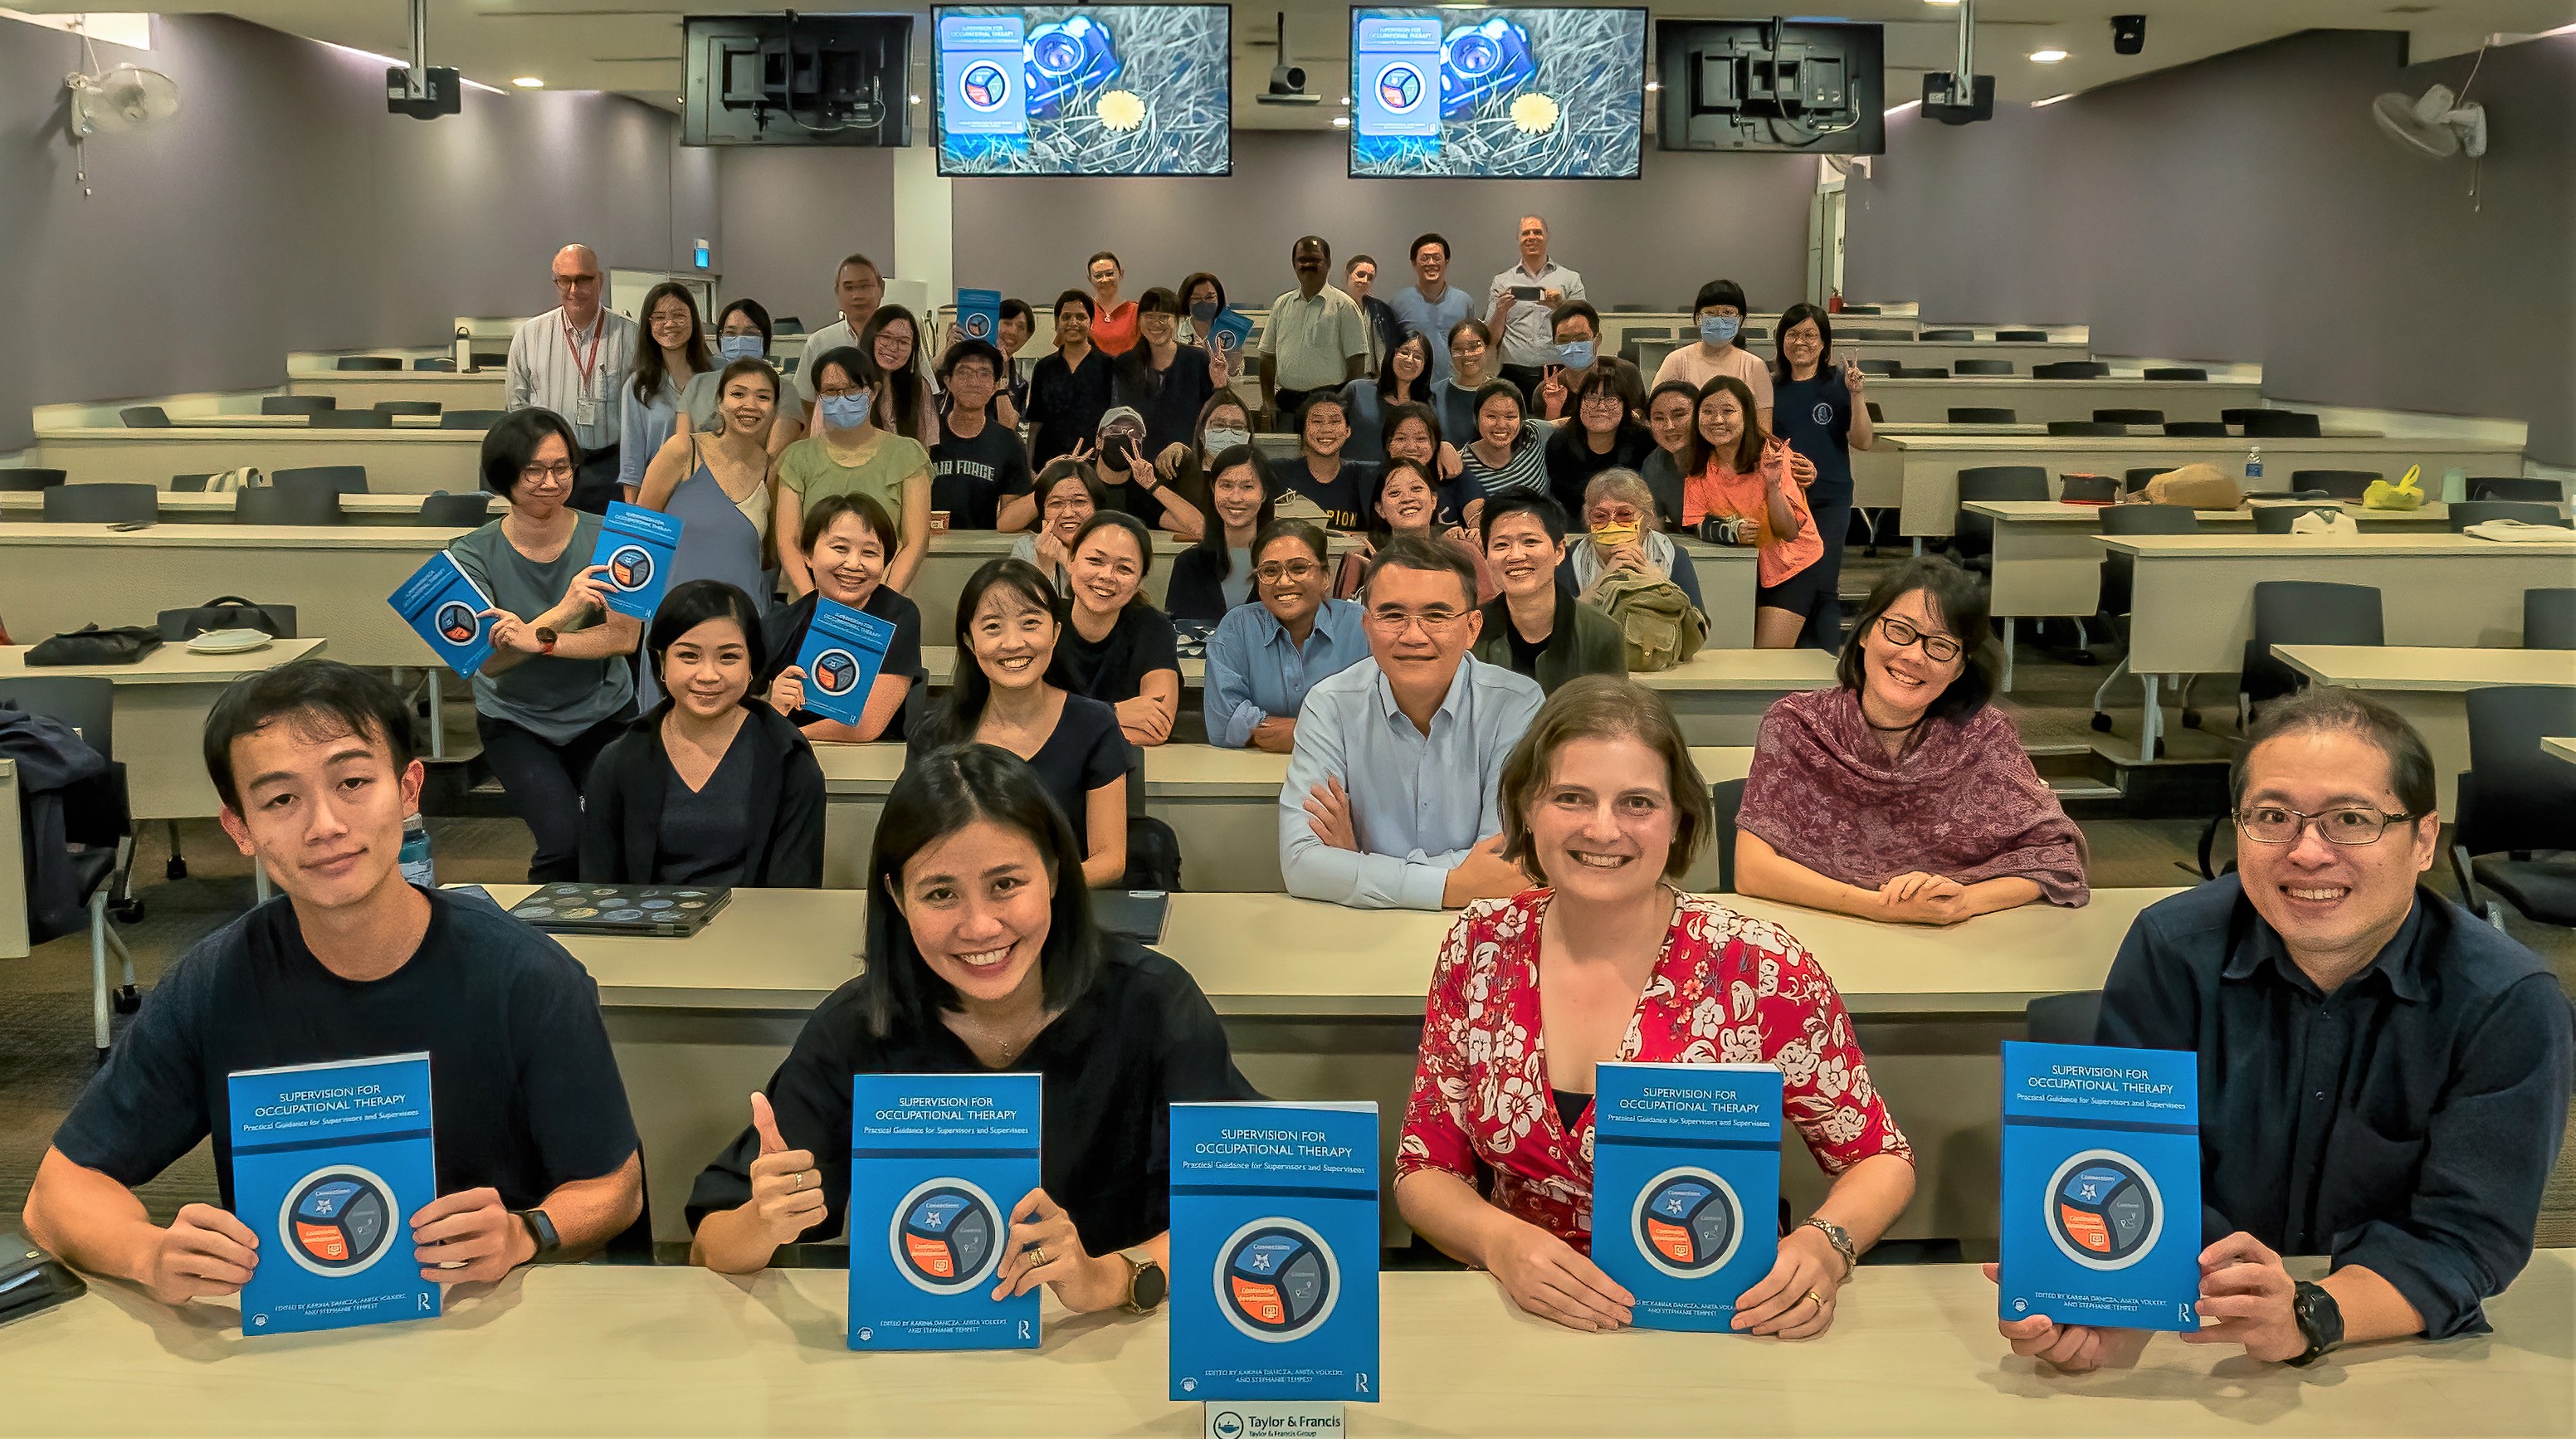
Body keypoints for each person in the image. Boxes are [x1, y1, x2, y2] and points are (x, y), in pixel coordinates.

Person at [22, 660, 644, 1309]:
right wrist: (146, 1253)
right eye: (281, 799)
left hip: (489, 1322)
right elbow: (56, 1195)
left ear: (408, 790)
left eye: (352, 782)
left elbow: (615, 1187)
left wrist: (526, 1233)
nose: (324, 825)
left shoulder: (527, 976)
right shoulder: (214, 983)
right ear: (240, 828)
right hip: (301, 1335)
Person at [1993, 686, 2574, 1373]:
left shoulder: (2507, 1001)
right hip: (2198, 1323)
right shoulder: (2172, 947)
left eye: (2351, 820)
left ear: (2423, 840)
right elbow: (2134, 1171)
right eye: (2272, 816)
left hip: (2390, 1343)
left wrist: (2308, 1312)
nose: (2305, 853)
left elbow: (2467, 1237)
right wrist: (2116, 1301)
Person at [1396, 676, 1915, 1335]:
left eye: (1637, 802)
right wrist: (1499, 1243)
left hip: (1721, 1315)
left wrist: (1825, 1246)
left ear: (1678, 822)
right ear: (1529, 809)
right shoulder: (1479, 946)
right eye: (1572, 798)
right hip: (1525, 1315)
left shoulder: (1758, 968)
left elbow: (1879, 1158)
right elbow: (1425, 1170)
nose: (1602, 829)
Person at [685, 743, 1261, 1300]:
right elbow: (710, 1251)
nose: (981, 926)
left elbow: (1249, 1203)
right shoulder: (858, 1027)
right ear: (896, 897)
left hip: (1114, 1341)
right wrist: (765, 1221)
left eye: (1006, 885)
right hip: (923, 1351)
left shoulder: (1153, 1004)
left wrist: (1108, 1279)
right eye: (940, 894)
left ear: (1056, 874)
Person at [1735, 557, 2088, 921]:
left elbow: (2055, 856)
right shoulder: (1798, 724)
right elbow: (1752, 870)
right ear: (1865, 633)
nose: (1914, 655)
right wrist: (1880, 909)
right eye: (1900, 631)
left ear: (1959, 668)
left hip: (1953, 945)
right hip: (1821, 929)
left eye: (1940, 645)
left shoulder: (1984, 736)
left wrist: (1964, 902)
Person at [1279, 537, 1544, 910]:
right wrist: (1455, 884)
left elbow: (1504, 866)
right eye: (1392, 615)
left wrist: (1355, 867)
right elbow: (1301, 864)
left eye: (1436, 616)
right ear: (1367, 626)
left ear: (1472, 627)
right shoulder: (1330, 705)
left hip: (1474, 933)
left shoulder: (1516, 705)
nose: (1413, 635)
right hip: (1361, 932)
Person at [449, 410, 641, 881]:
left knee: (619, 836)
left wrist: (537, 640)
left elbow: (623, 636)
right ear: (504, 476)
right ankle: (546, 945)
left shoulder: (618, 536)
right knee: (563, 843)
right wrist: (563, 611)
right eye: (533, 470)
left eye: (562, 467)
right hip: (516, 720)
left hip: (603, 712)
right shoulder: (467, 555)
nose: (550, 482)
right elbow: (489, 663)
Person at [579, 580, 825, 886]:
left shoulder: (790, 759)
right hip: (645, 931)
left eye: (728, 657)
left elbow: (795, 893)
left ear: (752, 665)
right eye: (689, 656)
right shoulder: (618, 759)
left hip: (757, 930)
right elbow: (599, 887)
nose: (708, 675)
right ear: (661, 662)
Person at [911, 560, 1129, 888]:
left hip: (1061, 908)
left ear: (1055, 633)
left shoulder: (1095, 724)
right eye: (993, 627)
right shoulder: (933, 734)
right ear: (970, 641)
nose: (1013, 643)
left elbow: (1110, 859)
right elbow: (916, 851)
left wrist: (1028, 889)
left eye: (1030, 623)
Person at [633, 358, 781, 709]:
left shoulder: (774, 471)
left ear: (775, 407)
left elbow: (769, 557)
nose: (750, 405)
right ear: (719, 401)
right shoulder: (684, 451)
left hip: (739, 630)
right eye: (738, 394)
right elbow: (636, 534)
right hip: (675, 620)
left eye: (763, 397)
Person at [761, 494, 928, 744]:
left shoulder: (898, 615)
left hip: (875, 762)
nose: (854, 563)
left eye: (870, 552)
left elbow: (867, 725)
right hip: (790, 759)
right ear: (807, 553)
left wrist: (788, 734)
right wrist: (773, 708)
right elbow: (747, 712)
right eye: (839, 548)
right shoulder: (781, 623)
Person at [776, 346, 933, 598]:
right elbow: (788, 542)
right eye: (830, 391)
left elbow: (916, 542)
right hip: (813, 603)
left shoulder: (907, 454)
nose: (841, 398)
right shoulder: (798, 457)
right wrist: (813, 600)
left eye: (852, 390)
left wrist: (882, 600)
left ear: (873, 392)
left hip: (884, 603)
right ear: (819, 397)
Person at [1204, 519, 1369, 753]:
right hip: (1255, 772)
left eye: (1299, 568)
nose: (1284, 581)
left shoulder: (1360, 625)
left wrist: (1304, 733)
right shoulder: (1238, 627)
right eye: (1269, 571)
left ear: (1325, 577)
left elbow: (1382, 718)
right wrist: (1335, 733)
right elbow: (1225, 721)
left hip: (1345, 775)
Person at [1683, 375, 1822, 649]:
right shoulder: (1698, 469)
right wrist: (1730, 531)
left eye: (1728, 411)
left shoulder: (1772, 455)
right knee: (1726, 646)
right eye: (1708, 411)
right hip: (1740, 568)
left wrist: (1772, 486)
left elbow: (1789, 531)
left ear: (1746, 415)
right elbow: (1695, 522)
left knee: (1766, 656)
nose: (1717, 420)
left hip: (1790, 565)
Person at [505, 243, 639, 512]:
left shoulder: (631, 336)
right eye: (564, 281)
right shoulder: (530, 336)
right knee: (555, 550)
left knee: (605, 552)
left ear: (600, 280)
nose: (573, 290)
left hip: (613, 468)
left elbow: (645, 407)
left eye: (583, 279)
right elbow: (516, 408)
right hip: (549, 469)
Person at [1772, 303, 1873, 648]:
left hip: (1830, 496)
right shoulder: (1771, 388)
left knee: (1825, 583)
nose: (1801, 342)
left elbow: (1863, 441)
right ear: (1781, 341)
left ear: (1824, 342)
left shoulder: (1838, 383)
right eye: (1793, 334)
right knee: (1788, 579)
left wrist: (1857, 395)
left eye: (1810, 335)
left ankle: (1827, 668)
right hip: (1783, 499)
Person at [1050, 512, 1183, 749]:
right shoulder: (1045, 620)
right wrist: (1116, 712)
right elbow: (1022, 716)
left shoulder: (1152, 627)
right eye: (1095, 561)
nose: (1106, 576)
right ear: (1071, 560)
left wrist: (1061, 726)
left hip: (1120, 766)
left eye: (1124, 569)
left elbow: (1157, 727)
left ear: (1140, 580)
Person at [1472, 496, 1625, 695]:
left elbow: (1611, 717)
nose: (1516, 555)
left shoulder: (1602, 633)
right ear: (1486, 556)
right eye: (1501, 545)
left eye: (1530, 541)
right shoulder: (1470, 631)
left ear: (1559, 551)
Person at [1259, 235, 1368, 429]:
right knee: (1287, 458)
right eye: (1302, 260)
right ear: (1294, 264)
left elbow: (1356, 364)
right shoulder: (1281, 305)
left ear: (1328, 264)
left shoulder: (1344, 307)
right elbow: (1267, 356)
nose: (1308, 264)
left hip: (1329, 405)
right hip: (1287, 404)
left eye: (1315, 260)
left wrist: (1343, 407)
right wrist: (1268, 400)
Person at [1564, 468, 1705, 616]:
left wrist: (1657, 581)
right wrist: (1605, 578)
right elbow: (1560, 624)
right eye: (1600, 516)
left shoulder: (1673, 556)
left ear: (1646, 516)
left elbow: (1699, 625)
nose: (1612, 524)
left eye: (1625, 514)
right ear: (1588, 519)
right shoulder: (1571, 558)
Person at [1111, 288, 1224, 470]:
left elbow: (1213, 413)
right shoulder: (1125, 363)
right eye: (1149, 317)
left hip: (1188, 463)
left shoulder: (1197, 360)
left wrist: (1221, 384)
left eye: (1164, 317)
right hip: (1139, 467)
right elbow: (1119, 417)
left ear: (1177, 321)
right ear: (1139, 320)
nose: (1157, 323)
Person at [617, 282, 710, 502]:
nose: (669, 324)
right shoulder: (637, 385)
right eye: (659, 317)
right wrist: (633, 514)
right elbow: (632, 462)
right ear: (649, 325)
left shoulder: (718, 373)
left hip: (714, 493)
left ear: (694, 320)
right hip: (659, 497)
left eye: (679, 315)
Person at [929, 338, 1035, 531]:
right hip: (928, 547)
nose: (974, 382)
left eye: (984, 374)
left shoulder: (1009, 444)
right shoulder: (927, 436)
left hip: (984, 548)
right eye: (964, 373)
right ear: (948, 382)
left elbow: (1010, 514)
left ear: (996, 385)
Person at [1164, 444, 1274, 627]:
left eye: (1247, 487)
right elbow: (1179, 636)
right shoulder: (1188, 564)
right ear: (1214, 489)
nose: (1235, 498)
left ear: (1264, 494)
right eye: (1226, 485)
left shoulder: (1281, 565)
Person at [1360, 452, 1490, 604]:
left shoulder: (1465, 553)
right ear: (1380, 509)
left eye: (1416, 489)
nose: (1408, 498)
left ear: (1433, 500)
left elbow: (1489, 610)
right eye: (1395, 493)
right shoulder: (1368, 563)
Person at [1655, 280, 1774, 432]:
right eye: (1711, 313)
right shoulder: (1677, 361)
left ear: (1740, 319)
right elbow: (1658, 413)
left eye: (1727, 313)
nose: (1719, 319)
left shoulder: (1754, 366)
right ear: (1698, 318)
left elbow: (1763, 430)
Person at [1486, 215, 1583, 402]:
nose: (1531, 237)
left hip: (1560, 370)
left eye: (1537, 232)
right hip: (1513, 372)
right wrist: (1501, 311)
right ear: (1518, 240)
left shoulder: (1570, 279)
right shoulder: (1502, 281)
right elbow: (1491, 338)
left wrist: (1561, 307)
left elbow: (1582, 331)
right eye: (1525, 233)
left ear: (1547, 236)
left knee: (1557, 424)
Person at [1543, 368, 1654, 520]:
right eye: (1592, 398)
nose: (1600, 407)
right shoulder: (1560, 443)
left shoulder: (1645, 441)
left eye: (1611, 399)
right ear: (1580, 404)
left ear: (1625, 406)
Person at [791, 252, 886, 421]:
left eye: (865, 286)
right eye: (849, 288)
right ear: (837, 292)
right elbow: (806, 401)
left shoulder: (902, 338)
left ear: (881, 288)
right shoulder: (820, 342)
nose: (857, 295)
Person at [1027, 290, 1115, 466]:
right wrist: (1029, 468)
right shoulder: (1044, 368)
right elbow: (1035, 425)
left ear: (1091, 322)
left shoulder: (1109, 366)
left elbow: (1114, 423)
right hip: (1048, 465)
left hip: (1094, 465)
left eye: (1081, 317)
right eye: (1066, 317)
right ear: (1057, 323)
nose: (1073, 323)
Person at [1090, 405, 1207, 538]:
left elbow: (1200, 528)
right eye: (1116, 430)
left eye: (1134, 434)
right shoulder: (1081, 477)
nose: (1126, 437)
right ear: (1099, 441)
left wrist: (1152, 485)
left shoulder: (1140, 493)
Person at [679, 299, 775, 438]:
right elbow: (682, 443)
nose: (740, 339)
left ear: (765, 338)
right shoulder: (699, 384)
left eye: (750, 333)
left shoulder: (782, 388)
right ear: (720, 337)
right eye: (731, 333)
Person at [1147, 391, 1256, 511]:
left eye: (1238, 427)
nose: (1227, 434)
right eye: (1219, 425)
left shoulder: (1259, 476)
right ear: (1201, 434)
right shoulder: (1179, 469)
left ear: (1248, 435)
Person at [1392, 233, 1475, 388]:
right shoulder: (1398, 303)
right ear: (1414, 263)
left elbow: (1473, 347)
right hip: (1411, 388)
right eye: (1424, 259)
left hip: (1455, 385)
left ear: (1446, 261)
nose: (1431, 263)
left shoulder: (1464, 301)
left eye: (1436, 258)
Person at [1340, 330, 1434, 466]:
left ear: (1426, 365)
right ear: (1392, 354)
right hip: (1351, 480)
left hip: (1400, 482)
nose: (1409, 359)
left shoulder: (1428, 405)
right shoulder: (1357, 391)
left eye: (1418, 356)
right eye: (1404, 352)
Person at [1009, 459, 1101, 596]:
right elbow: (1019, 607)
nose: (1068, 513)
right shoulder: (1025, 548)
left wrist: (1065, 558)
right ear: (1043, 512)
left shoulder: (1109, 546)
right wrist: (1043, 566)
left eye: (1079, 501)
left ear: (1096, 507)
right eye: (1056, 503)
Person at [1280, 392, 1368, 531]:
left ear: (1348, 431)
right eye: (1316, 421)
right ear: (1303, 429)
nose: (1326, 429)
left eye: (1335, 421)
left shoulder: (1364, 477)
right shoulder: (1278, 473)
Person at [1459, 380, 1550, 505]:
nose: (1501, 425)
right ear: (1476, 418)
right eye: (1491, 416)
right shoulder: (1463, 464)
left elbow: (1567, 424)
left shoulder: (1533, 434)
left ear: (1521, 419)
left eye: (1510, 417)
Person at [860, 303, 939, 445]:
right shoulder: (848, 383)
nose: (893, 347)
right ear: (871, 337)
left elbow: (924, 452)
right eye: (885, 337)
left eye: (903, 342)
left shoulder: (920, 387)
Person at [1530, 300, 1614, 422]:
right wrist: (1553, 410)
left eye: (1582, 338)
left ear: (1598, 340)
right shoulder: (1545, 391)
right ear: (1554, 344)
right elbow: (1546, 437)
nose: (1573, 346)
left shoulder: (1623, 375)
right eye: (1564, 340)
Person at [1637, 378, 1699, 530]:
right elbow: (1653, 526)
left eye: (1679, 415)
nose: (1669, 426)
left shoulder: (1723, 456)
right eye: (1659, 418)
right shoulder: (1653, 465)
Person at [1435, 319, 1501, 443]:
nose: (1467, 354)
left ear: (1487, 348)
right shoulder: (1434, 394)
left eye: (1474, 347)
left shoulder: (1504, 392)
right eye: (1458, 349)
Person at [1344, 254, 1405, 371]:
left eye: (1370, 277)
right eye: (1360, 275)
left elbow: (1392, 346)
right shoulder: (1335, 307)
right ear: (1348, 275)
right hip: (1342, 378)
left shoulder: (1381, 310)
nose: (1365, 280)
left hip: (1374, 379)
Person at [1083, 251, 1139, 357]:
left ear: (1121, 274)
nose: (1104, 280)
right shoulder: (1082, 312)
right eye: (1098, 276)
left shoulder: (1136, 311)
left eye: (1110, 274)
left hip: (1129, 372)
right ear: (1090, 279)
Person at [995, 296, 1037, 427]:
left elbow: (1009, 425)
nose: (1013, 332)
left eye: (1021, 327)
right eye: (1007, 323)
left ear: (1027, 338)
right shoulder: (968, 365)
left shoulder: (1020, 385)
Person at [1174, 271, 1228, 351]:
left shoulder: (1230, 330)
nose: (1204, 302)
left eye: (1209, 297)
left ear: (1218, 298)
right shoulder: (1175, 330)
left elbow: (1237, 363)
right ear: (1187, 301)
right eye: (1196, 298)